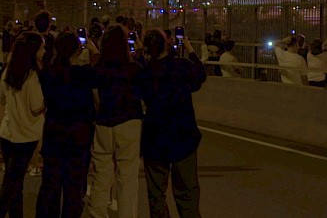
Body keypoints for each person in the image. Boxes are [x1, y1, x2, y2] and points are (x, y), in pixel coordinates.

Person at [135, 28, 206, 218]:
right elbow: (200, 76)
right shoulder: (181, 66)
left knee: (156, 191)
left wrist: (140, 55)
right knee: (187, 190)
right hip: (183, 135)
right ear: (168, 43)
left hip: (155, 137)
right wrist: (190, 49)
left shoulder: (145, 72)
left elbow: (139, 88)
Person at [83, 25, 143, 218]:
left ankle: (97, 213)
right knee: (127, 178)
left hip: (104, 124)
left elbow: (93, 95)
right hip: (129, 123)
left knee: (101, 175)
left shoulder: (98, 69)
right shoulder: (133, 69)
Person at [35, 32, 97, 218]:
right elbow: (98, 66)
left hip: (54, 132)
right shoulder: (84, 74)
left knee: (51, 186)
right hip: (78, 135)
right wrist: (92, 49)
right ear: (77, 50)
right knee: (73, 189)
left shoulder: (48, 73)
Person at [0, 32, 46, 217]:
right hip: (26, 135)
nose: (44, 51)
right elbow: (36, 107)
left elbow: (2, 97)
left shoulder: (8, 72)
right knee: (13, 182)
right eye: (41, 48)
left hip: (7, 131)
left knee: (14, 182)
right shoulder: (33, 76)